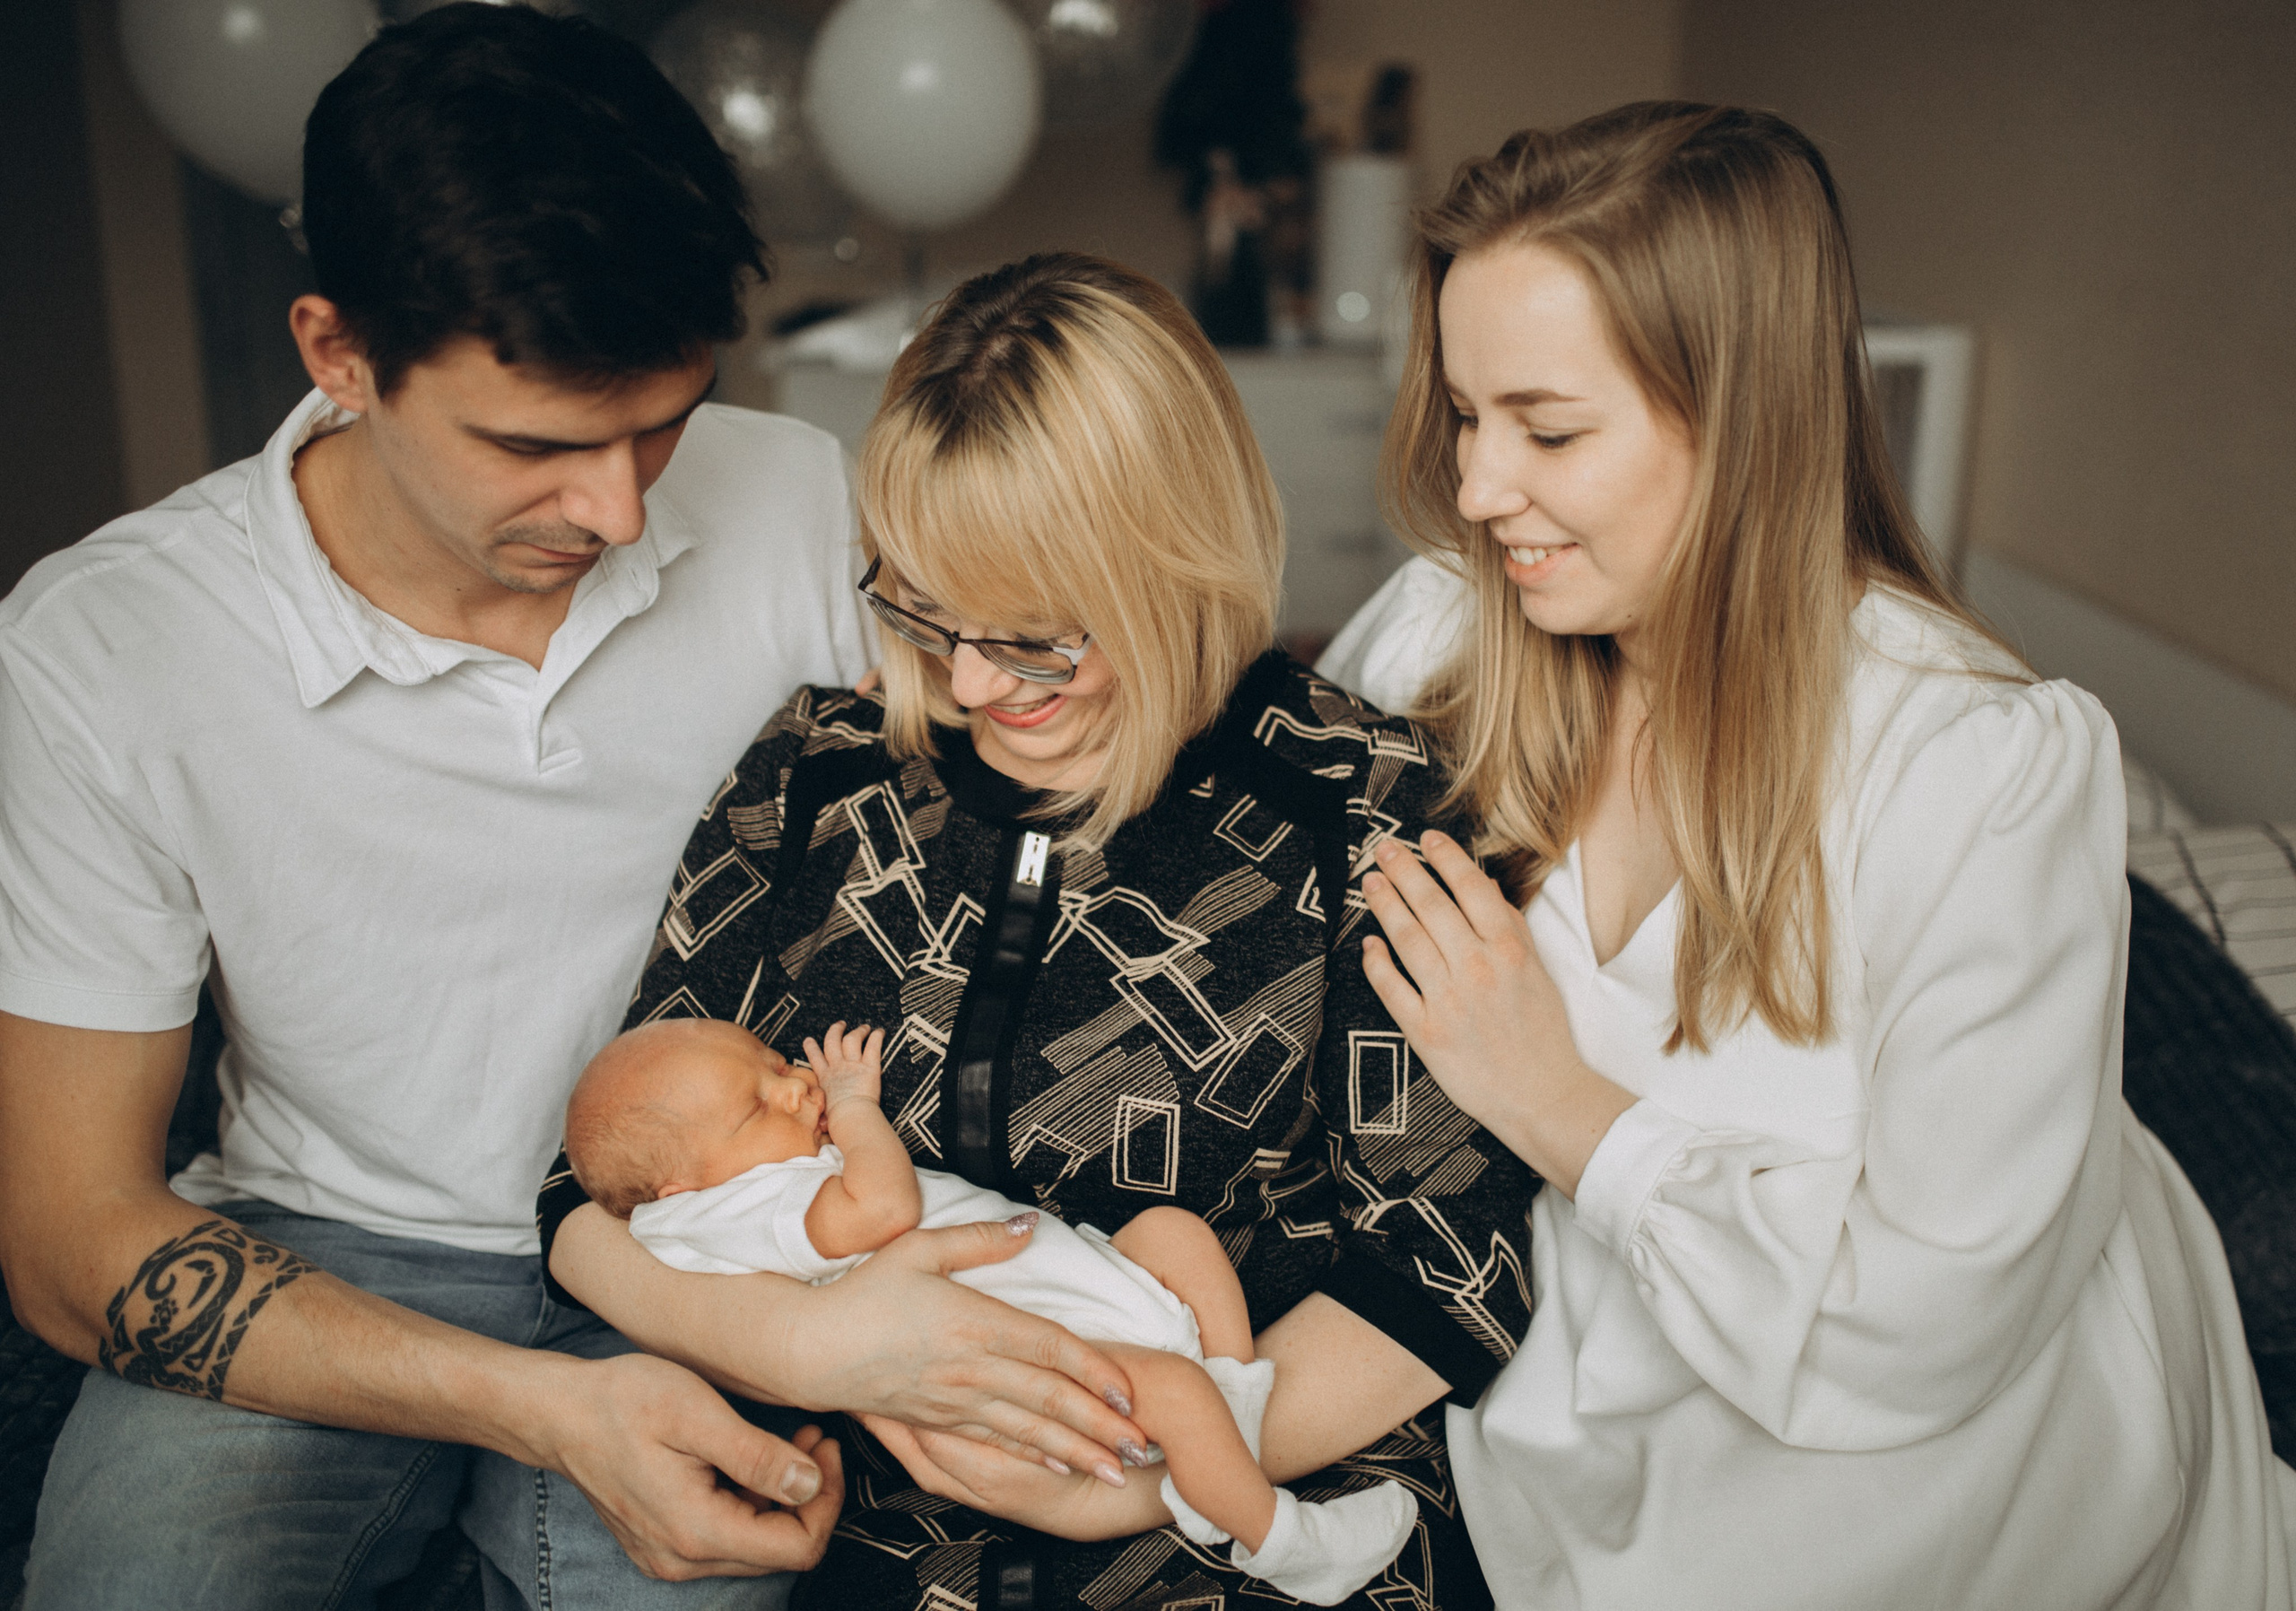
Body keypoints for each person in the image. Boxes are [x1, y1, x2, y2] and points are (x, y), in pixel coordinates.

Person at [0, 9, 1144, 1607]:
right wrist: (544, 1411)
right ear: (338, 356)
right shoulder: (105, 641)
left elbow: (1050, 809)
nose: (615, 509)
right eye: (534, 444)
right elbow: (66, 1240)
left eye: (660, 423)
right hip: (321, 1246)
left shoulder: (803, 499)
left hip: (736, 1223)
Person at [1316, 101, 2296, 1607]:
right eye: (1463, 414)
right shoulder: (1447, 635)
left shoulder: (1978, 771)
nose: (1477, 488)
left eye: (1549, 429)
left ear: (1749, 414)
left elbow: (1929, 1327)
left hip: (1917, 1460)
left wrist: (1565, 1105)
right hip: (1554, 1402)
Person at [538, 250, 1538, 1607]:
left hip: (1253, 1503)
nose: (962, 681)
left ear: (1167, 557)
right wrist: (803, 1352)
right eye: (922, 607)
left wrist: (1149, 1472)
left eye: (1031, 638)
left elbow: (1449, 1253)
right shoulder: (813, 778)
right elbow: (597, 1192)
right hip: (873, 1503)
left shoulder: (1360, 811)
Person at [563, 1016, 1421, 1605]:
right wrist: (855, 1105)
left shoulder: (737, 1174)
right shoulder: (739, 1208)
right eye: (759, 1103)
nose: (795, 1087)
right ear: (680, 1189)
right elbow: (881, 1212)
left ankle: (1231, 1418)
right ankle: (1284, 1542)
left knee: (1176, 1234)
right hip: (1043, 1353)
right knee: (1176, 1396)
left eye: (776, 1064)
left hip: (1083, 1286)